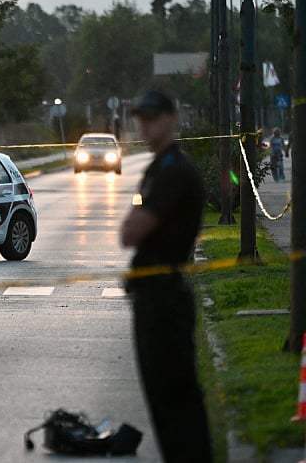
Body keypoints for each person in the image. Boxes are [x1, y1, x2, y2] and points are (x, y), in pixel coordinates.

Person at [120, 90, 213, 462]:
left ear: (172, 119)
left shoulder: (175, 171)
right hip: (151, 296)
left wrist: (138, 213)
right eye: (141, 119)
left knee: (176, 399)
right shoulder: (157, 168)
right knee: (162, 401)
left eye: (152, 118)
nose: (145, 126)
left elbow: (132, 231)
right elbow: (128, 228)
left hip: (165, 300)